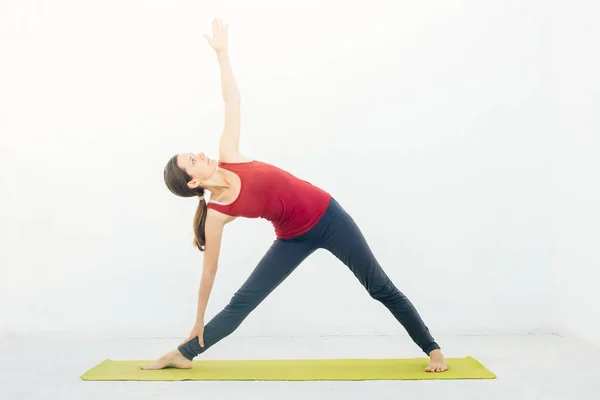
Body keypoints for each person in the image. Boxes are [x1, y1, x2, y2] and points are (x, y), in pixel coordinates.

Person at [140, 18, 448, 373]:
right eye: (192, 161)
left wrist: (222, 56)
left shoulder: (229, 154)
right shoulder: (217, 214)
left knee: (378, 286)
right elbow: (209, 272)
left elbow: (233, 100)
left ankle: (433, 349)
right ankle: (183, 353)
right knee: (243, 302)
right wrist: (198, 320)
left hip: (331, 218)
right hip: (292, 238)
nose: (200, 155)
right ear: (192, 182)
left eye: (194, 154)